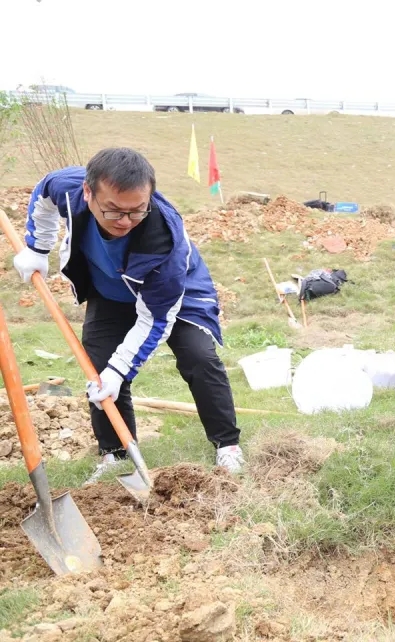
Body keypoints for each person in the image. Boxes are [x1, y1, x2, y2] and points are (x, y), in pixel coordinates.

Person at [11, 148, 244, 480]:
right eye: (114, 211)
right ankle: (116, 455)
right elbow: (43, 193)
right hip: (110, 290)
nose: (125, 221)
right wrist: (37, 247)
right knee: (99, 369)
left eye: (137, 211)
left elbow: (155, 319)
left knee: (198, 357)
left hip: (175, 292)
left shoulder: (164, 240)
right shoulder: (67, 186)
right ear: (88, 192)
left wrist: (120, 371)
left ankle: (227, 446)